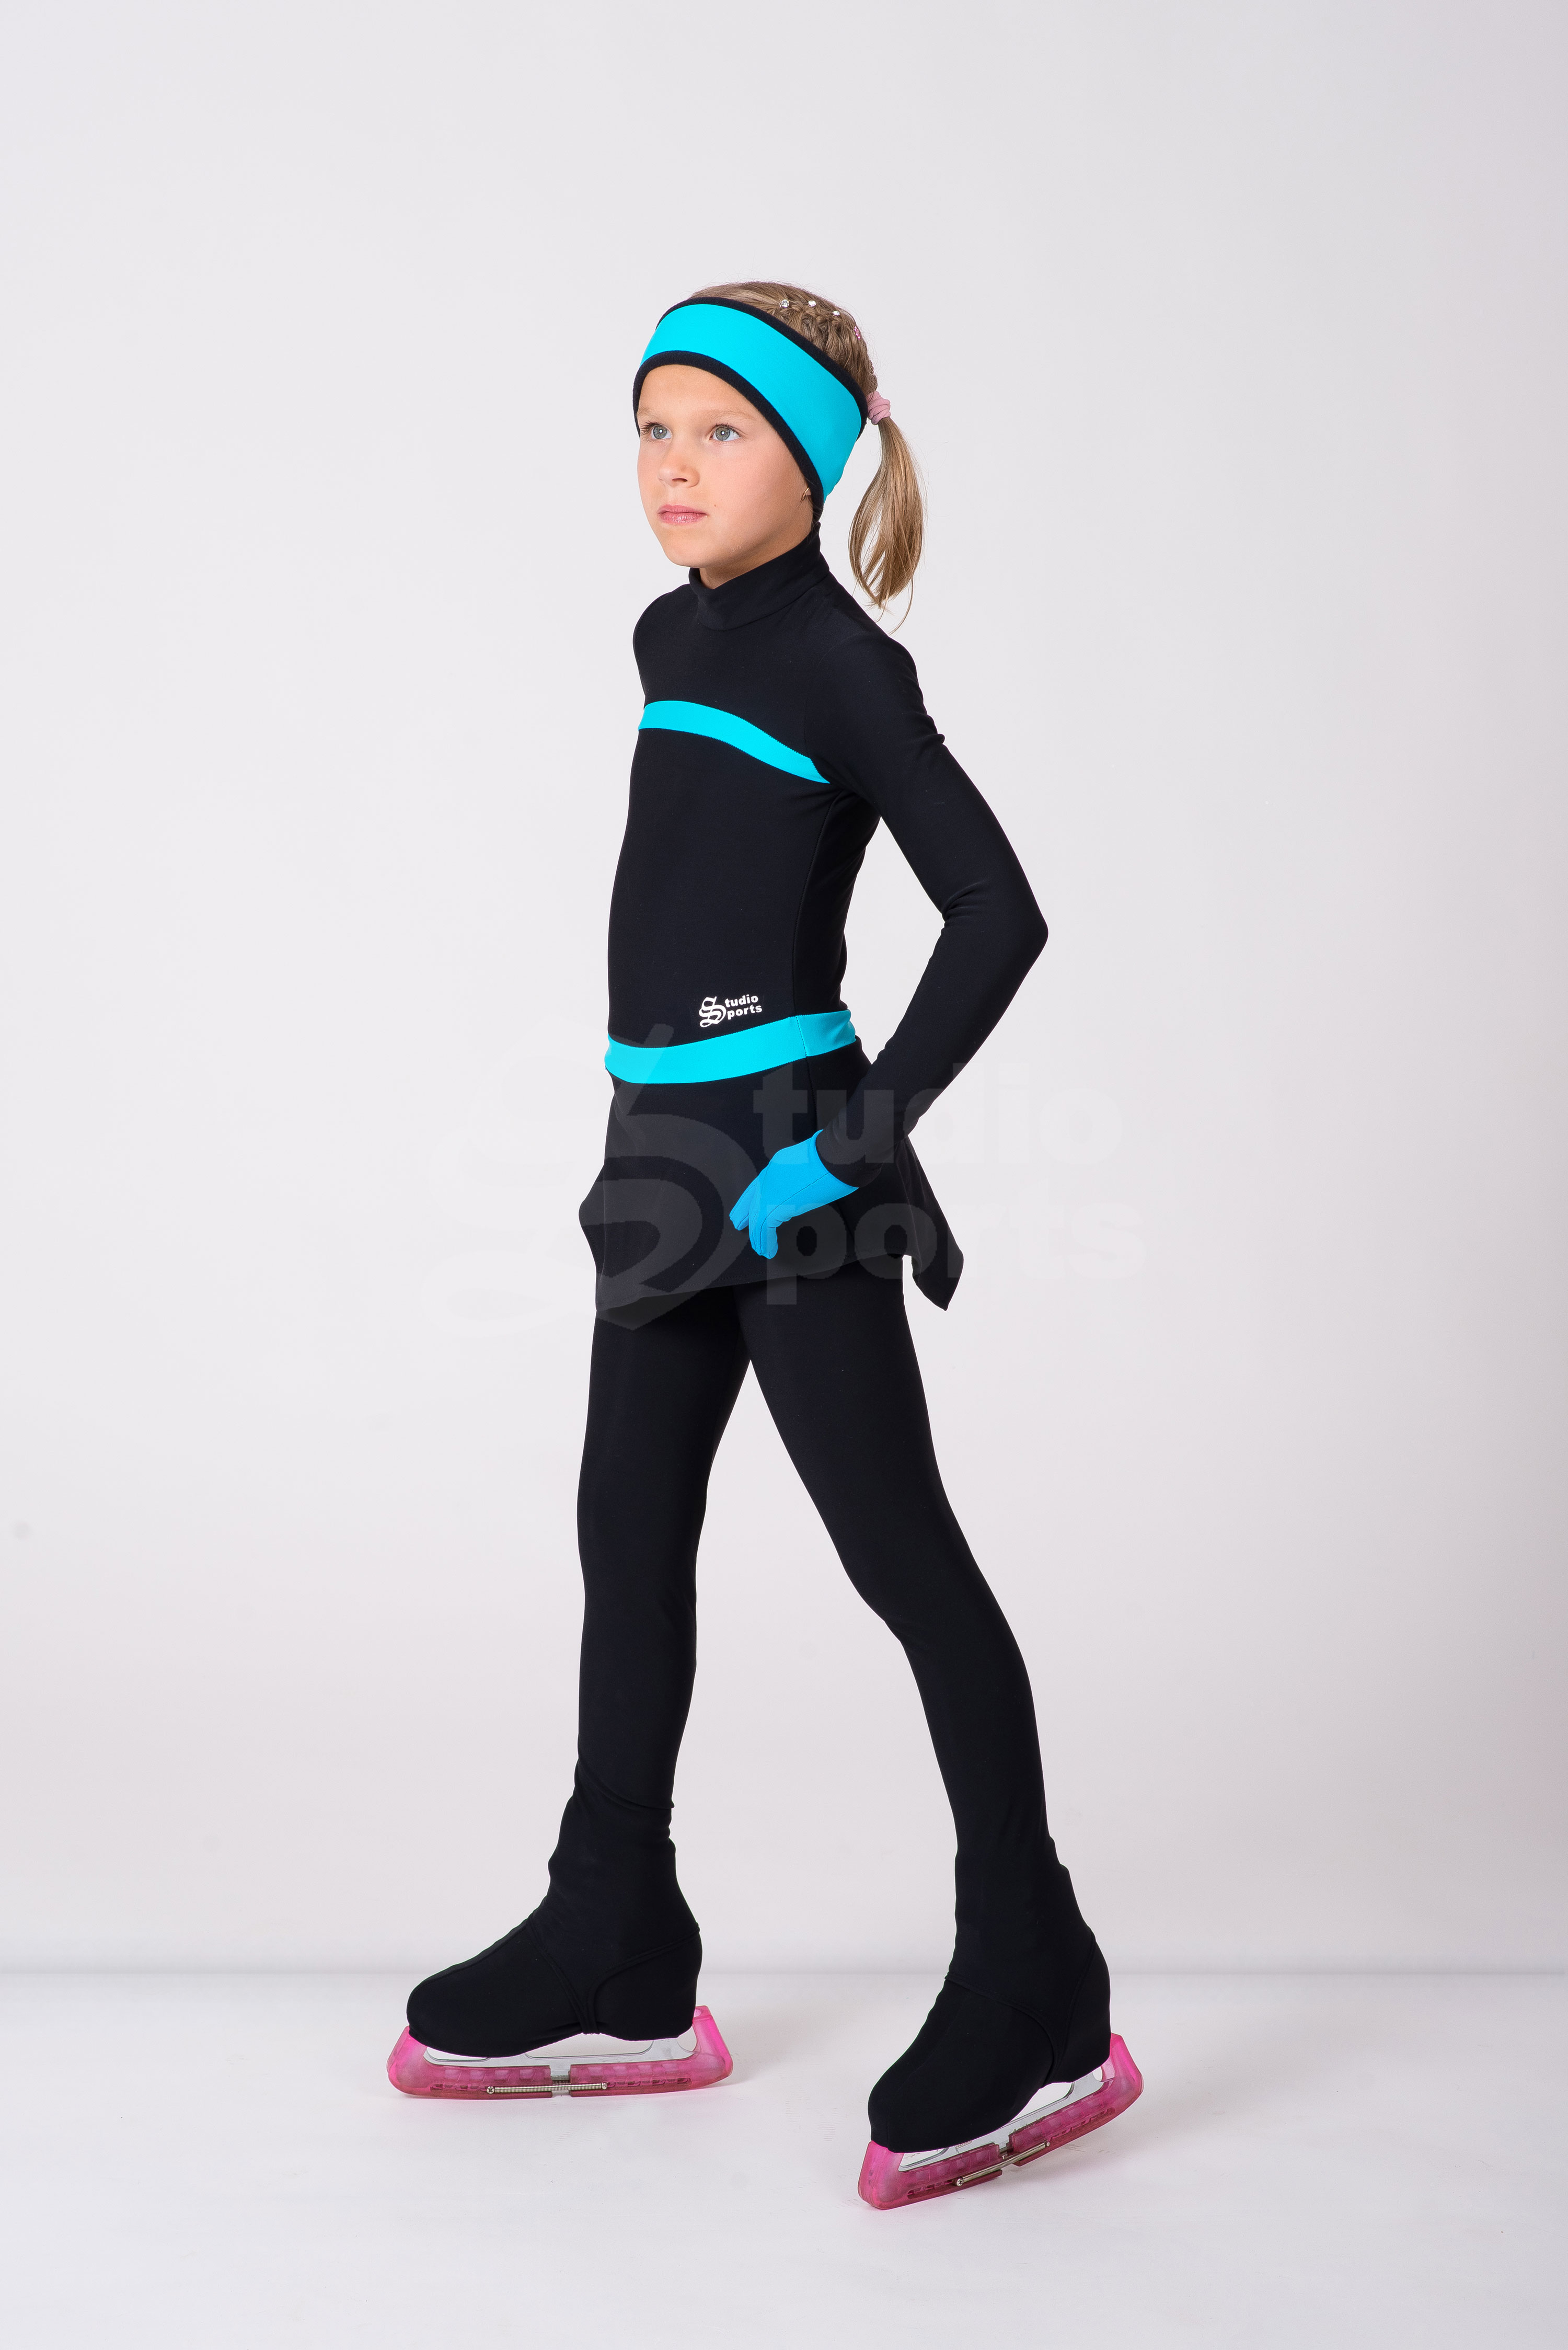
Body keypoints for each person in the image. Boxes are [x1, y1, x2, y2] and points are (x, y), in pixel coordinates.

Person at [386, 282, 1141, 2207]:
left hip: (797, 1164)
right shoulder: (668, 635)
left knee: (904, 1560)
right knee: (624, 1536)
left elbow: (1000, 911)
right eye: (651, 428)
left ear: (813, 457)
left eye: (720, 430)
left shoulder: (841, 663)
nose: (673, 465)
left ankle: (1038, 1970)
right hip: (662, 1153)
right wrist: (653, 1133)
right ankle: (616, 1931)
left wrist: (859, 1142)